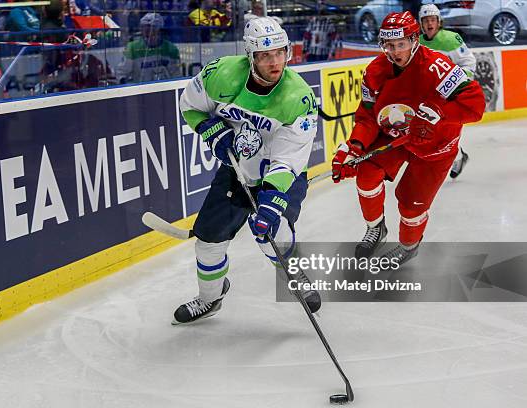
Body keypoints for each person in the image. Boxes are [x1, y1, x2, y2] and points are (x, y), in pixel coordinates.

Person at [174, 17, 320, 324]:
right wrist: (210, 130)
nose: (274, 62)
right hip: (237, 169)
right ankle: (210, 298)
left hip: (282, 175)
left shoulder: (299, 98)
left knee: (270, 231)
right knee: (208, 240)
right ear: (250, 56)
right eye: (265, 56)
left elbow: (288, 158)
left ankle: (295, 275)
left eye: (279, 53)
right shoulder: (221, 75)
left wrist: (271, 198)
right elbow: (189, 105)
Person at [331, 11, 484, 266]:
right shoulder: (375, 71)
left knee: (411, 207)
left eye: (401, 44)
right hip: (397, 135)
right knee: (366, 170)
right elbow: (368, 117)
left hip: (435, 144)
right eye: (389, 45)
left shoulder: (437, 66)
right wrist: (354, 147)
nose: (395, 52)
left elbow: (476, 105)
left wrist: (440, 114)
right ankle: (376, 228)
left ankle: (409, 246)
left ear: (415, 40)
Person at [419, 3, 476, 179]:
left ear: (439, 21)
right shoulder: (417, 42)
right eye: (426, 20)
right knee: (429, 133)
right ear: (421, 23)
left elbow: (469, 63)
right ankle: (456, 156)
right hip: (427, 96)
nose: (430, 23)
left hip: (449, 95)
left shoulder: (451, 39)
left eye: (433, 19)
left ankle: (457, 156)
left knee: (445, 132)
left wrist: (457, 84)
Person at [116, 13, 181, 84]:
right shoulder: (133, 48)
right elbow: (121, 73)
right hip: (141, 91)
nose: (148, 31)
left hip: (165, 90)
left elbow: (176, 74)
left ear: (159, 30)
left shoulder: (170, 49)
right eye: (144, 27)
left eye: (151, 27)